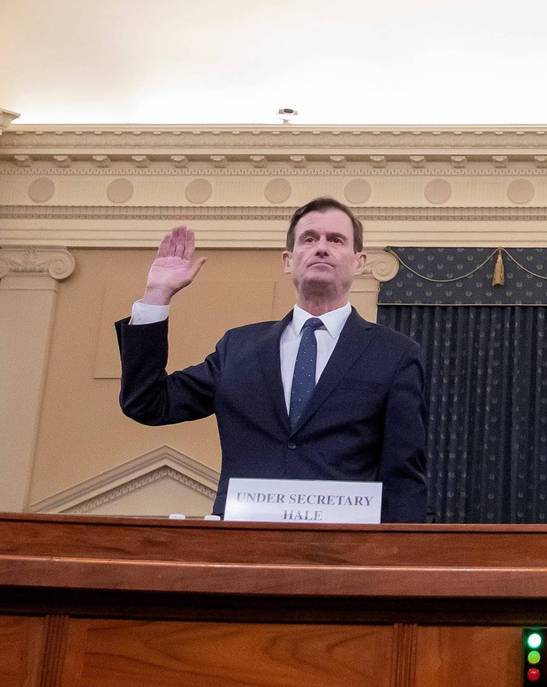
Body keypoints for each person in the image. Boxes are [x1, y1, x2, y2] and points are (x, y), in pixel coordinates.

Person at [116, 197, 428, 522]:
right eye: (309, 239)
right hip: (244, 548)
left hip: (342, 554)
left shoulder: (395, 354)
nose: (321, 248)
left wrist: (396, 560)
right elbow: (148, 403)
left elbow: (404, 476)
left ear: (359, 261)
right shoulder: (238, 347)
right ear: (288, 260)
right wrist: (156, 297)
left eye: (336, 240)